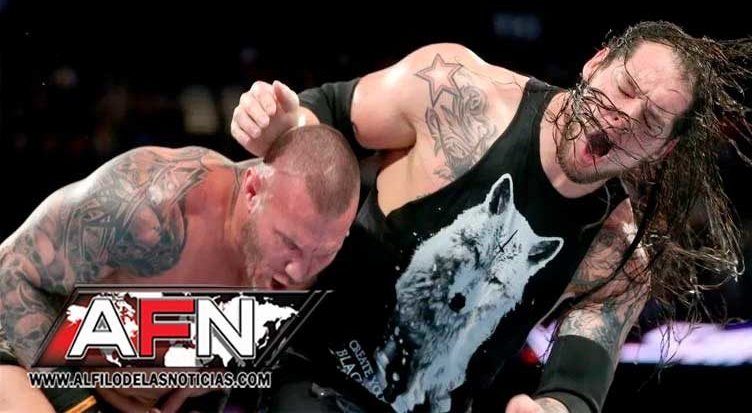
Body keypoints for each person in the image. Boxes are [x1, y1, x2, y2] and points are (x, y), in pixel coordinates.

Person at [230, 21, 752, 413]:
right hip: (305, 368)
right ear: (596, 64)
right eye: (626, 88)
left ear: (663, 149)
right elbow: (329, 112)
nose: (624, 119)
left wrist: (550, 411)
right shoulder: (459, 93)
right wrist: (282, 125)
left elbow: (575, 389)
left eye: (652, 121)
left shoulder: (616, 255)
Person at [0, 125, 360, 413]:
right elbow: (11, 271)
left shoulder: (310, 260)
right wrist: (79, 406)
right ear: (253, 191)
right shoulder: (155, 205)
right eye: (289, 243)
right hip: (24, 357)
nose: (299, 270)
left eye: (323, 252)